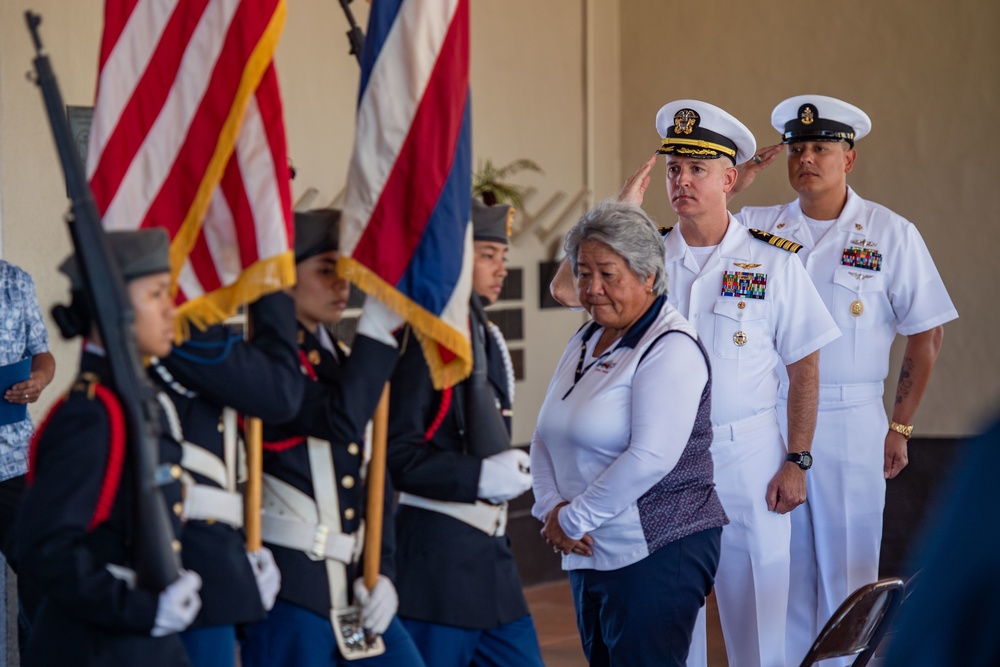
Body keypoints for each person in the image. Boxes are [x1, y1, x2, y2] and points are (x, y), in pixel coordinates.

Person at [552, 100, 841, 667]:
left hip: (749, 456)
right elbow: (566, 290)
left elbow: (804, 366)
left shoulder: (774, 262)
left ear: (729, 179)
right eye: (673, 169)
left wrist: (797, 459)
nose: (681, 181)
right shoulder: (646, 256)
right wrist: (619, 211)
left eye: (697, 169)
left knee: (758, 625)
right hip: (663, 466)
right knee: (666, 627)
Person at [734, 95, 958, 665]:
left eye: (822, 147)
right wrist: (735, 184)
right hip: (771, 418)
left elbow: (926, 333)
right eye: (797, 147)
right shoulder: (756, 229)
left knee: (848, 570)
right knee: (777, 568)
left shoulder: (889, 232)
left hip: (852, 418)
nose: (807, 158)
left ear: (848, 159)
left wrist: (901, 424)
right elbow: (696, 230)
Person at [532, 199, 726, 665]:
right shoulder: (585, 339)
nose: (592, 289)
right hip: (587, 546)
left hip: (658, 548)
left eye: (608, 274)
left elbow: (650, 457)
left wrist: (571, 520)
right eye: (583, 273)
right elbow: (544, 434)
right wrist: (549, 508)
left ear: (649, 278)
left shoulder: (670, 345)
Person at [240, 208, 425, 666]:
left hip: (355, 583)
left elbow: (371, 472)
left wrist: (381, 569)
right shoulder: (268, 367)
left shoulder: (339, 358)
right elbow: (341, 419)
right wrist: (379, 333)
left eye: (345, 272)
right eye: (325, 271)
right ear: (285, 279)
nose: (342, 284)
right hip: (295, 588)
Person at [14, 229, 202, 665]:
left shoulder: (134, 401)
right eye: (156, 294)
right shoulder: (92, 415)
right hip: (100, 648)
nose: (170, 310)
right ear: (111, 304)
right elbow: (46, 548)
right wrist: (141, 608)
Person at [386, 198, 544, 667]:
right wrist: (478, 478)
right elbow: (399, 456)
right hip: (437, 567)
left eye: (504, 258)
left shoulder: (485, 337)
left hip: (491, 564)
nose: (500, 270)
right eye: (486, 255)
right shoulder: (426, 343)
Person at [149, 271, 300, 666]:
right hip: (184, 564)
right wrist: (271, 281)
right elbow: (278, 394)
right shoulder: (185, 331)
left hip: (215, 560)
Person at [0, 258, 55, 641]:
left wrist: (38, 379)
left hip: (13, 458)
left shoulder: (15, 281)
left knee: (42, 571)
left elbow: (43, 353)